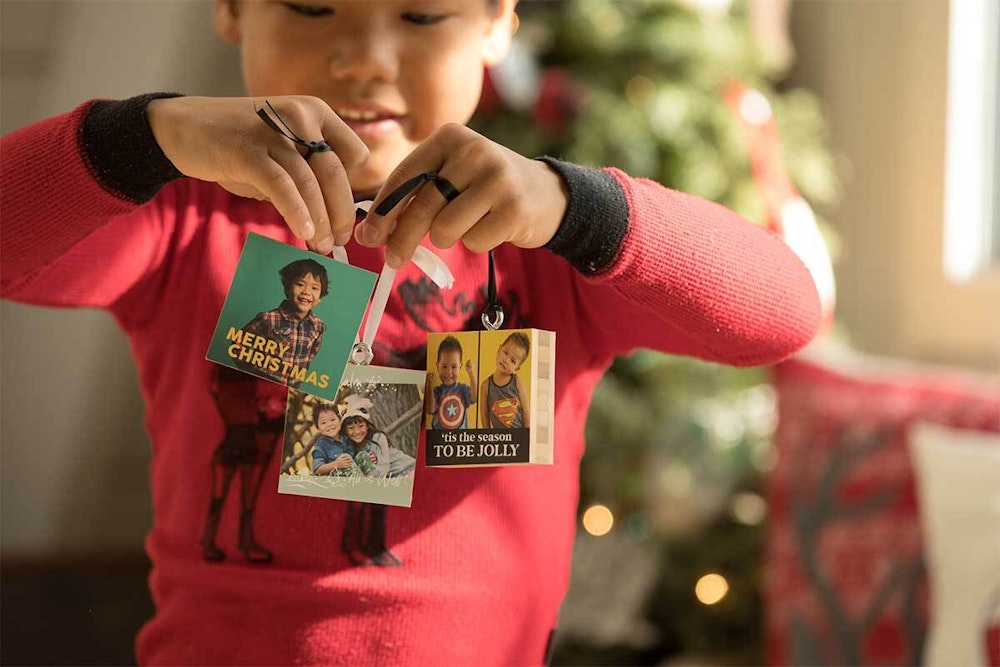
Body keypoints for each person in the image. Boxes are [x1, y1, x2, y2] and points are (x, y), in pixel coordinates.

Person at [0, 0, 822, 663]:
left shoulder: (545, 252)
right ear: (232, 10)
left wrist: (583, 209)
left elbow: (785, 312)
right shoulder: (183, 223)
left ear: (499, 21)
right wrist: (144, 135)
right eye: (312, 8)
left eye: (423, 16)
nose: (365, 57)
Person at [240, 258, 328, 386]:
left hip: (293, 387)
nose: (307, 292)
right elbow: (239, 343)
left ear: (320, 298)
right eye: (300, 284)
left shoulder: (318, 326)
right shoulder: (269, 318)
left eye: (314, 288)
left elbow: (311, 353)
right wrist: (250, 373)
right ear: (287, 290)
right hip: (265, 383)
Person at [481, 331, 530, 429]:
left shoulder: (517, 382)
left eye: (512, 361)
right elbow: (484, 413)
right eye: (505, 353)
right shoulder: (486, 385)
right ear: (499, 349)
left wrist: (526, 436)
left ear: (516, 368)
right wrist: (488, 437)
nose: (506, 360)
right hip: (499, 439)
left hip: (517, 436)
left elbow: (526, 411)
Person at [427, 335, 478, 429]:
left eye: (454, 367)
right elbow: (430, 409)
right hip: (439, 439)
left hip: (459, 440)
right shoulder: (436, 391)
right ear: (437, 366)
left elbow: (475, 397)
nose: (449, 372)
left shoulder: (462, 389)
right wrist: (429, 384)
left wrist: (471, 373)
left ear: (460, 367)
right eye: (444, 367)